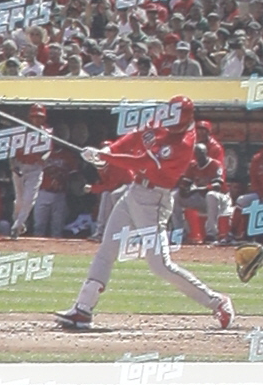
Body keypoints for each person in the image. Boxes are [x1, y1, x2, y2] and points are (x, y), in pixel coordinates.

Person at [54, 95, 235, 331]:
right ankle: (83, 309)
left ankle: (217, 302)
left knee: (160, 265)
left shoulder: (182, 144)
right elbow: (136, 136)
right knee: (107, 249)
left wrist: (106, 158)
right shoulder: (162, 121)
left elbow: (141, 162)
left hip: (154, 201)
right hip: (134, 192)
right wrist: (109, 149)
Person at [174, 142, 234, 245]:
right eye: (197, 153)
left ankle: (211, 234)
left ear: (206, 153)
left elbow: (217, 186)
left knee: (211, 195)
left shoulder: (215, 164)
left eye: (201, 153)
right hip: (202, 199)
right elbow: (186, 183)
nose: (199, 156)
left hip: (221, 198)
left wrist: (197, 190)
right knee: (176, 195)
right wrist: (183, 189)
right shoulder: (193, 165)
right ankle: (179, 231)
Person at [10, 104, 53, 238]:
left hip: (35, 168)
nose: (37, 119)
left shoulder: (47, 133)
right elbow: (11, 151)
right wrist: (12, 165)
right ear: (30, 117)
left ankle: (17, 226)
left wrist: (43, 159)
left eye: (40, 117)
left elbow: (49, 150)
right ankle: (19, 222)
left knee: (29, 199)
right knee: (19, 200)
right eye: (35, 117)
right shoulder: (21, 131)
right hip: (20, 166)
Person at [32, 129, 80, 238]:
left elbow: (75, 176)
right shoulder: (41, 154)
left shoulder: (67, 155)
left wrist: (62, 177)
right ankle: (36, 246)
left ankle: (55, 247)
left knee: (57, 226)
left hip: (60, 194)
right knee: (39, 225)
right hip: (42, 192)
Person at [83, 140, 133, 241]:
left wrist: (93, 188)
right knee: (106, 195)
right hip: (116, 186)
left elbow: (111, 185)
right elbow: (107, 183)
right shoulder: (100, 162)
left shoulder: (117, 162)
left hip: (129, 185)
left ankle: (121, 231)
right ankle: (100, 232)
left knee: (114, 195)